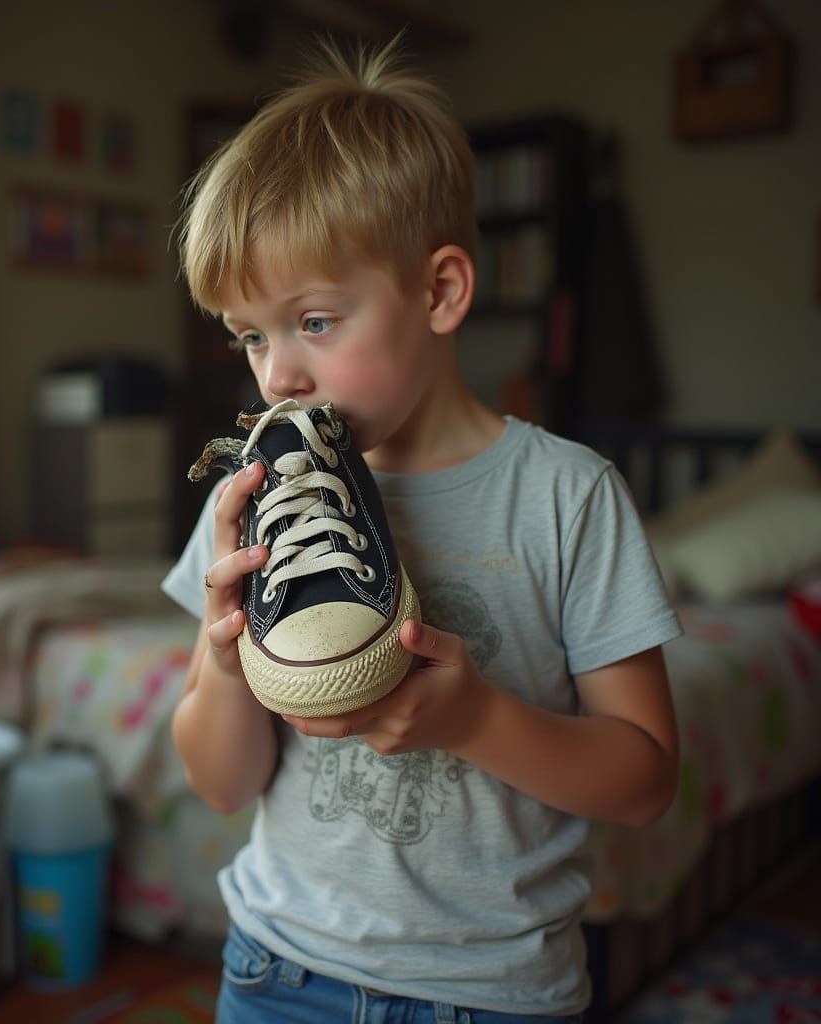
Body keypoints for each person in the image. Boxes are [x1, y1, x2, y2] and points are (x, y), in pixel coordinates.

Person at [163, 36, 681, 1024]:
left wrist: (476, 720)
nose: (277, 377)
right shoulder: (264, 493)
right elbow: (221, 782)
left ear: (440, 291)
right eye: (252, 335)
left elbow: (645, 780)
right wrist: (225, 656)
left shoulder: (566, 495)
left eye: (315, 321)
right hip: (276, 969)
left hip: (493, 995)